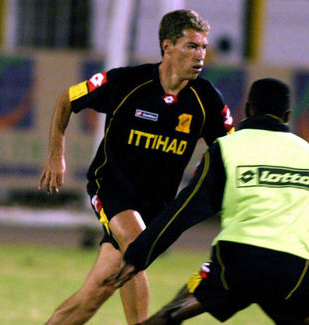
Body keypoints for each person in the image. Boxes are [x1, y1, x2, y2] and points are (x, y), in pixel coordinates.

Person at [104, 78, 309, 325]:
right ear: (288, 116)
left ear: (248, 109)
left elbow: (183, 210)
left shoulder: (226, 149)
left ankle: (179, 310)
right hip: (294, 270)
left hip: (236, 265)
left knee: (172, 313)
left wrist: (139, 254)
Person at [38, 9, 234, 325]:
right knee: (135, 244)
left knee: (91, 298)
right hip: (111, 187)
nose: (200, 56)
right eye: (191, 46)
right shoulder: (126, 82)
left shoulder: (206, 100)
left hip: (155, 205)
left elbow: (231, 150)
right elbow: (67, 98)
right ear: (167, 46)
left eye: (203, 48)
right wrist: (55, 153)